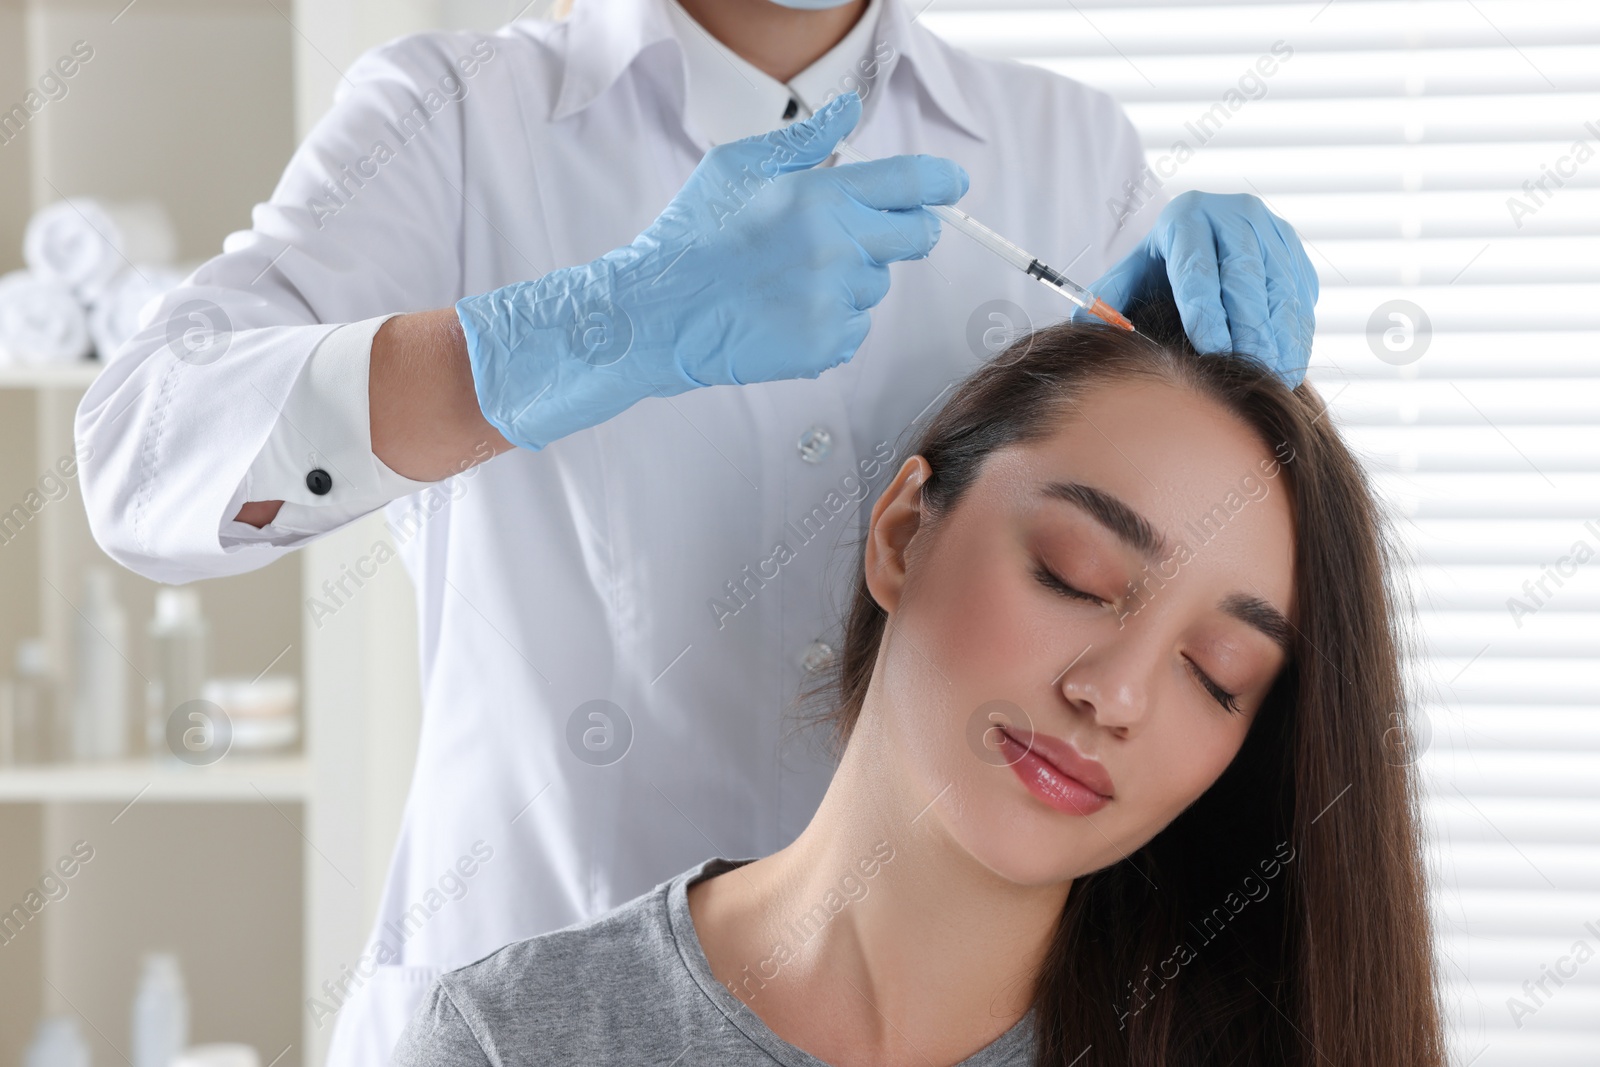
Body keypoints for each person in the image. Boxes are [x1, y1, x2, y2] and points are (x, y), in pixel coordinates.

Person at [73, 0, 1319, 1058]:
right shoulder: (459, 116)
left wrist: (1191, 398)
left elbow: (1176, 598)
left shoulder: (1063, 149)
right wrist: (588, 325)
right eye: (1064, 571)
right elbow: (144, 456)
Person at [388, 290, 1444, 1066]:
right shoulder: (513, 1038)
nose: (1112, 693)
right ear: (901, 533)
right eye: (1073, 575)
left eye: (1216, 675)